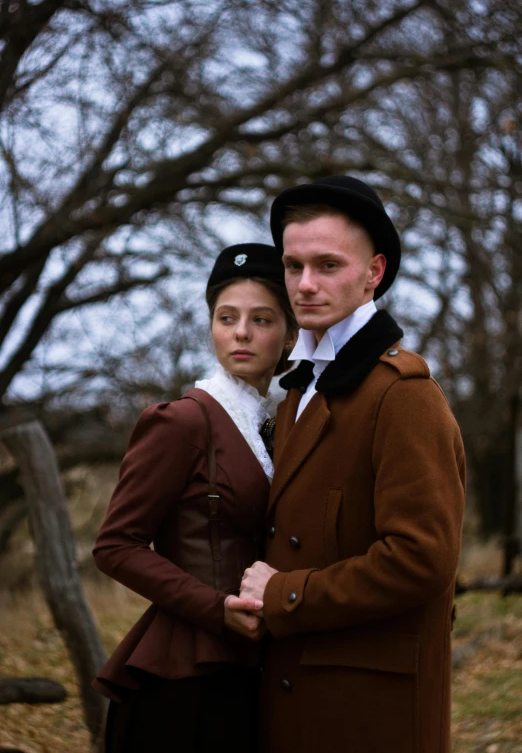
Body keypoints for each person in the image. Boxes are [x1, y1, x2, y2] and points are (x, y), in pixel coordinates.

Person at [239, 176, 466, 753]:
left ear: (374, 273)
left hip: (368, 715)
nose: (305, 285)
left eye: (328, 265)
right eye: (293, 267)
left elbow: (421, 560)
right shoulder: (300, 388)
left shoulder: (404, 394)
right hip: (301, 698)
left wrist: (287, 594)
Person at [92, 243, 297, 753]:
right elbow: (116, 545)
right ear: (211, 327)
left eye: (262, 318)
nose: (241, 332)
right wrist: (214, 607)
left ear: (290, 334)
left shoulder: (283, 421)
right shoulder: (182, 420)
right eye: (226, 317)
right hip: (186, 677)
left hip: (256, 667)